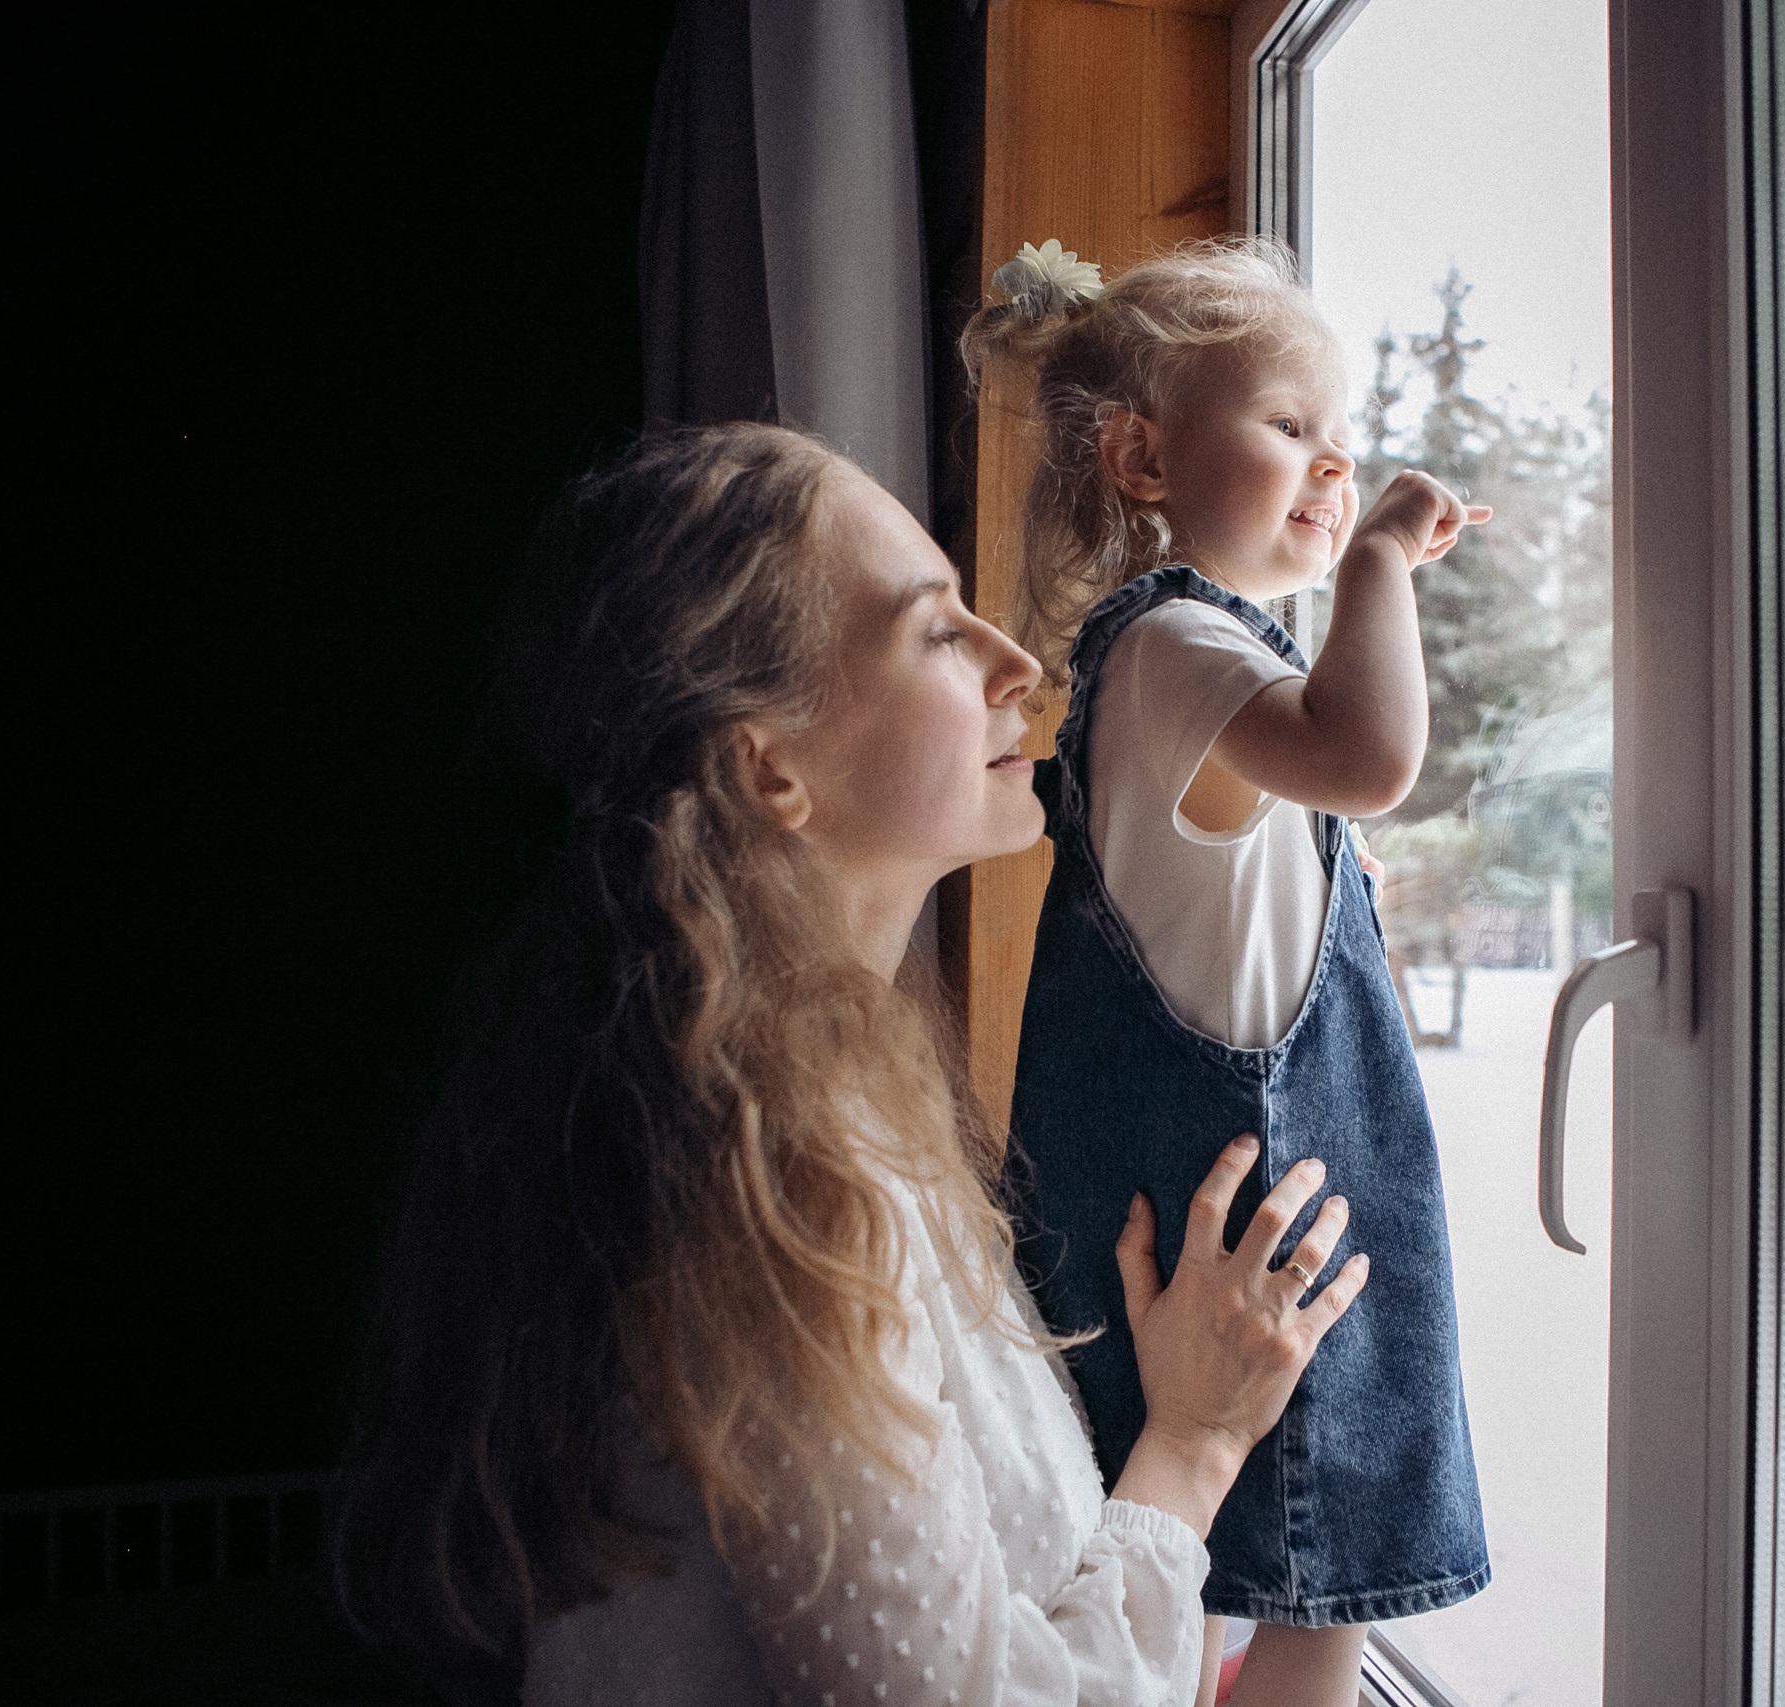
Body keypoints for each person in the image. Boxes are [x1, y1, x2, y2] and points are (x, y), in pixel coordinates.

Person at [332, 423, 1372, 1706]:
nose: (1015, 662)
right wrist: (1195, 1446)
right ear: (768, 768)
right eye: (937, 631)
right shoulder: (777, 1188)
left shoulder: (818, 1099)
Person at [964, 237, 1492, 1707]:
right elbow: (1371, 754)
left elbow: (1260, 849)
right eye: (1287, 427)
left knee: (1222, 1601)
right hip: (1245, 1233)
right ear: (1143, 459)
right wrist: (1382, 555)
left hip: (1229, 1219)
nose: (1333, 466)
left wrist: (1324, 865)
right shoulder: (1181, 641)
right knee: (1310, 1597)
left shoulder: (1169, 673)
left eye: (1343, 437)